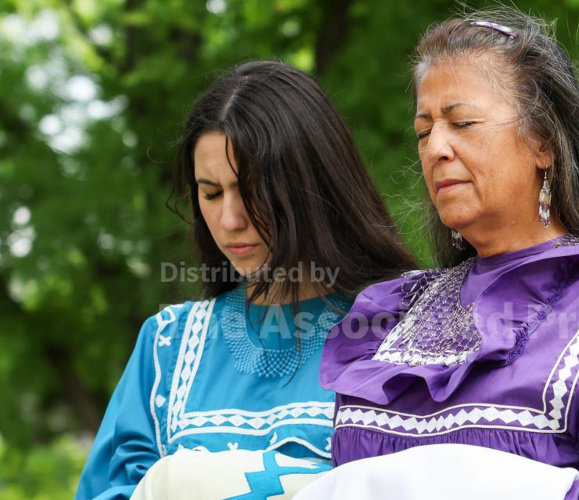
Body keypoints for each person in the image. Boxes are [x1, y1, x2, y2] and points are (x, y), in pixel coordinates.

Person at [308, 7, 579, 499]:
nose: (435, 147)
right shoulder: (390, 314)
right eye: (424, 129)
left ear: (542, 142)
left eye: (463, 122)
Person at [74, 60, 416, 500]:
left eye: (253, 190)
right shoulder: (166, 348)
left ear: (313, 183)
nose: (230, 220)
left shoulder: (404, 330)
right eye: (210, 193)